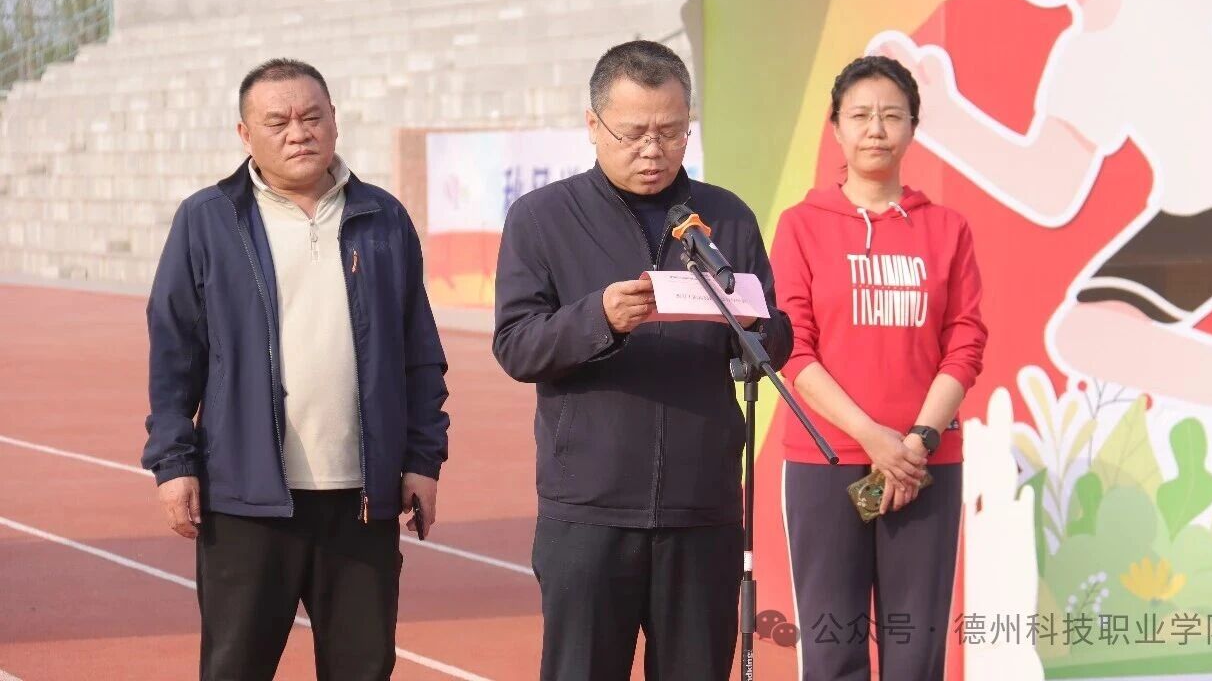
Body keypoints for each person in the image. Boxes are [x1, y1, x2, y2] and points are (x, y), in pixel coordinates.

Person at [491, 40, 793, 680]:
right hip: (588, 510)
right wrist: (598, 318)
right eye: (633, 134)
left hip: (703, 508)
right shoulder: (542, 218)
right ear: (593, 125)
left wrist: (751, 323)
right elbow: (517, 344)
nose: (653, 150)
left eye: (671, 132)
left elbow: (775, 340)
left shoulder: (725, 217)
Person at [142, 58, 449, 681]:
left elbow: (419, 352)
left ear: (335, 121)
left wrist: (422, 458)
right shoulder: (207, 220)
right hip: (246, 499)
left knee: (363, 669)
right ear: (244, 134)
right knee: (236, 668)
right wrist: (174, 463)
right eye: (277, 121)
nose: (298, 133)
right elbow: (175, 352)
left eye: (312, 117)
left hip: (362, 500)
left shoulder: (383, 218)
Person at [876, 0, 1212, 432]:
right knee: (1088, 333)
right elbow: (1048, 186)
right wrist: (942, 118)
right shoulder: (1080, 62)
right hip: (1198, 210)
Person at [771, 55, 988, 680]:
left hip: (923, 467)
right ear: (835, 126)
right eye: (860, 115)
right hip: (826, 463)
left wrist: (915, 442)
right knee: (832, 648)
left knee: (915, 653)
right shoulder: (802, 227)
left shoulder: (947, 229)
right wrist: (872, 438)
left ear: (913, 127)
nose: (875, 129)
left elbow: (966, 341)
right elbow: (793, 349)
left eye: (892, 116)